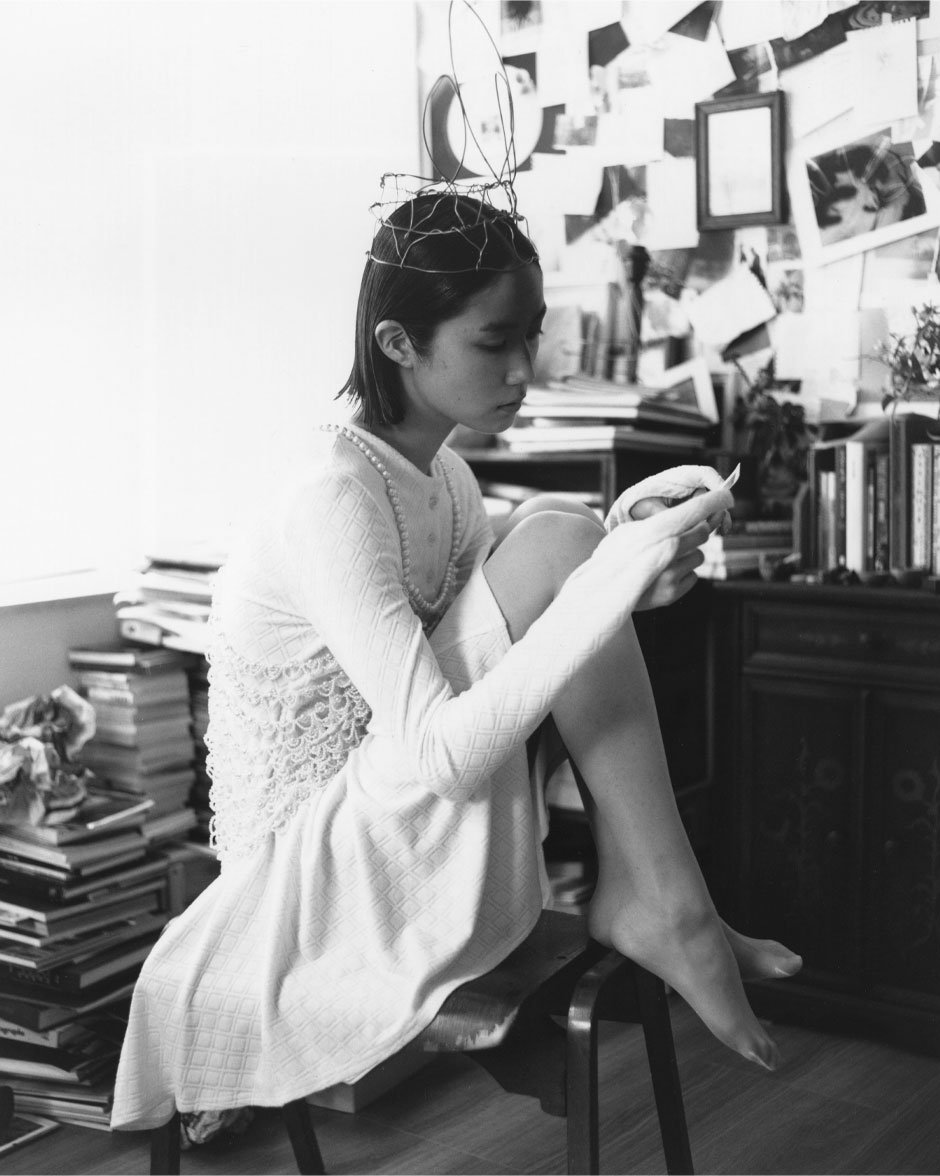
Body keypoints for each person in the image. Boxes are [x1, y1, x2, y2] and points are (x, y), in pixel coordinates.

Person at [110, 190, 801, 1136]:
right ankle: (668, 904)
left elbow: (521, 626)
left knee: (559, 529)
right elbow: (444, 753)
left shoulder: (445, 477)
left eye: (532, 335)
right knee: (562, 541)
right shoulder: (333, 497)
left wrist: (628, 566)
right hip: (314, 881)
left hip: (401, 813)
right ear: (398, 343)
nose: (524, 369)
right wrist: (602, 579)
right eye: (493, 342)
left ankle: (662, 898)